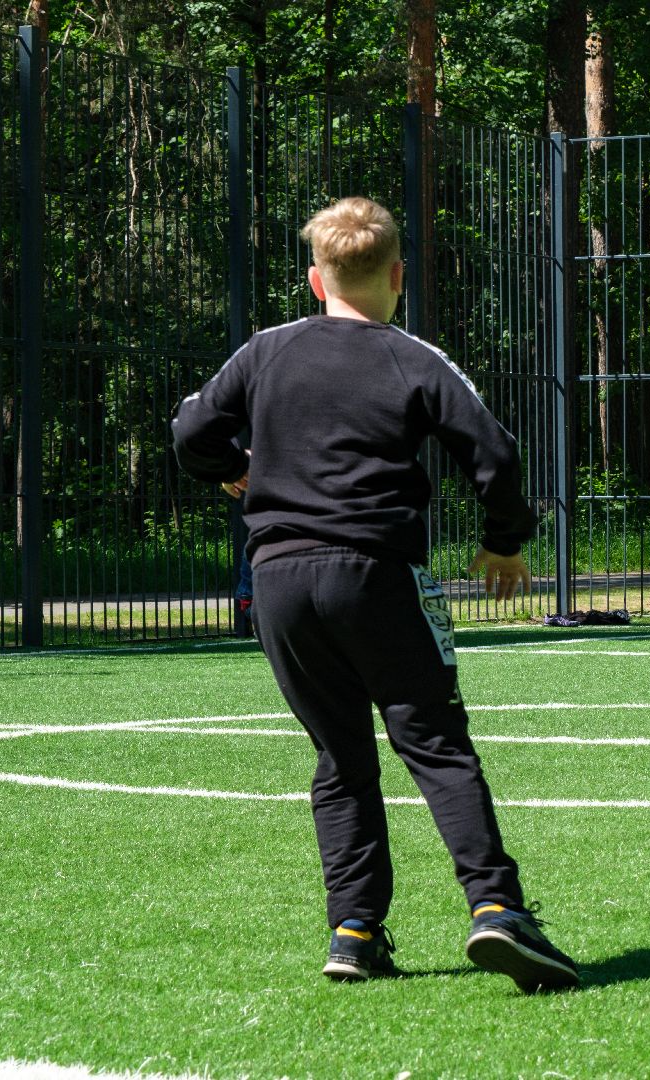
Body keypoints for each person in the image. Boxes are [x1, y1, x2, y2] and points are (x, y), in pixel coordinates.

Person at [171, 196, 578, 993]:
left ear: (314, 280)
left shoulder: (265, 351)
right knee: (433, 741)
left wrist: (231, 468)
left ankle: (354, 932)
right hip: (376, 574)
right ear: (398, 276)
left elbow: (188, 430)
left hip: (280, 581)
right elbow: (494, 450)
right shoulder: (412, 357)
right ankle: (496, 910)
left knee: (340, 757)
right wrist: (503, 540)